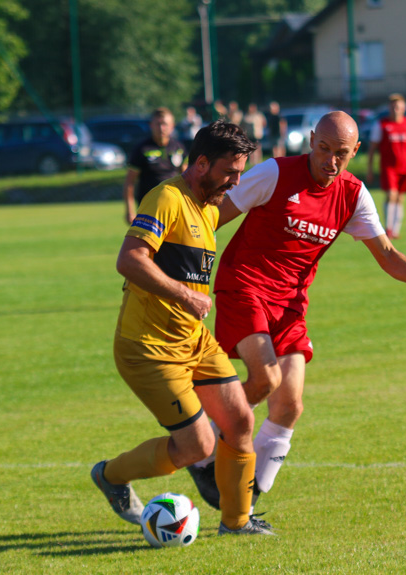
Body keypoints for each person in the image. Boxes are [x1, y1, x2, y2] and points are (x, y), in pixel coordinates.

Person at [187, 111, 406, 518]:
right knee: (265, 378)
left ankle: (250, 490)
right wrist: (186, 273)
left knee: (289, 405)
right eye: (323, 149)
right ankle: (203, 450)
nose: (330, 161)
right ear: (311, 140)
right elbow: (212, 218)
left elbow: (385, 253)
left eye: (341, 154)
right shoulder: (275, 174)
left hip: (291, 303)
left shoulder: (353, 194)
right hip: (245, 285)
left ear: (355, 153)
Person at [91, 120, 273, 537]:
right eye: (230, 171)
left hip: (193, 340)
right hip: (148, 347)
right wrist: (185, 295)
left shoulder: (209, 205)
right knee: (197, 447)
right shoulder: (167, 198)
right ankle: (112, 476)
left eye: (241, 171)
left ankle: (236, 522)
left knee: (240, 421)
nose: (237, 180)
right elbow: (130, 260)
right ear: (202, 163)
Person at [366, 93, 406, 239]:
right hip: (389, 167)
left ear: (404, 107)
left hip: (404, 167)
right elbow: (372, 149)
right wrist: (369, 169)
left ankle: (395, 230)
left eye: (399, 105)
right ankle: (388, 229)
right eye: (393, 106)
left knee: (400, 198)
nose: (396, 108)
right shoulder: (382, 125)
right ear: (389, 107)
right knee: (391, 195)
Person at [123, 107, 186, 224]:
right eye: (158, 124)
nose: (162, 128)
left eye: (165, 124)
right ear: (151, 125)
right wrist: (129, 211)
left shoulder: (178, 148)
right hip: (149, 208)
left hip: (174, 206)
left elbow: (187, 179)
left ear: (172, 126)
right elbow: (129, 182)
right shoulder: (142, 149)